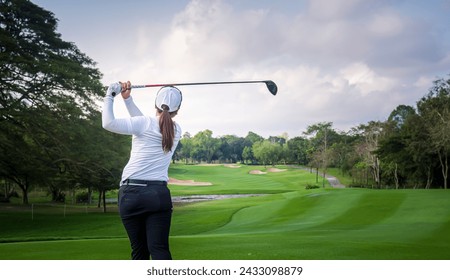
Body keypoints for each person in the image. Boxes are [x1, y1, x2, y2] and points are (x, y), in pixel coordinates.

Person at [102, 81, 182, 260]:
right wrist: (128, 100)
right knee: (160, 250)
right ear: (177, 109)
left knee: (140, 253)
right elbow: (144, 125)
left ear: (156, 105)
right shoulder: (176, 130)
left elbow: (108, 123)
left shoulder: (144, 123)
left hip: (131, 194)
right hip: (158, 195)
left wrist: (110, 95)